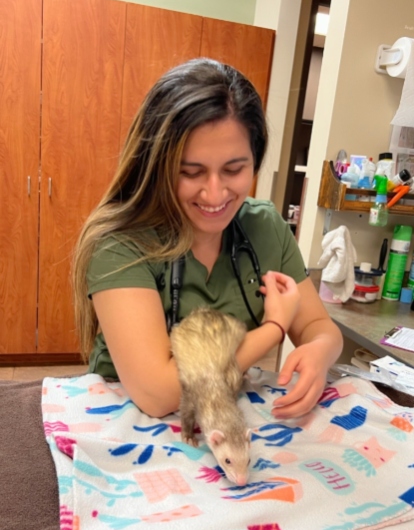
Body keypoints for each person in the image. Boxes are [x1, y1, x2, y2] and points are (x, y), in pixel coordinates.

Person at [73, 58, 343, 420]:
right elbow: (160, 394)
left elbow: (317, 326)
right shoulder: (121, 245)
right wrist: (273, 329)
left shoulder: (265, 228)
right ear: (155, 164)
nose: (215, 194)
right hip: (131, 422)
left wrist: (320, 352)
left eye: (234, 169)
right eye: (190, 172)